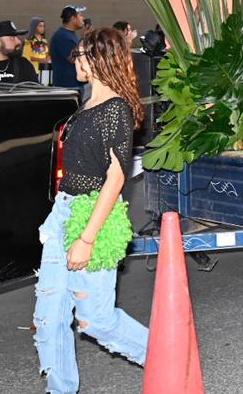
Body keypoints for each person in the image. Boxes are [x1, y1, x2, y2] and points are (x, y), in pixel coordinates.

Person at [32, 27, 148, 390]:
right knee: (48, 317)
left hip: (92, 215)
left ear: (99, 58)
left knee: (96, 321)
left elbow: (115, 179)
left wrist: (86, 238)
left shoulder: (115, 109)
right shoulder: (87, 104)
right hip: (63, 213)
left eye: (79, 55)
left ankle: (167, 357)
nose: (74, 61)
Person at [51, 6, 87, 89]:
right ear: (73, 18)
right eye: (80, 15)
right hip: (68, 86)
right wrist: (83, 39)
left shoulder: (70, 34)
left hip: (74, 84)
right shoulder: (62, 36)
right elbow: (72, 59)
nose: (83, 18)